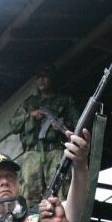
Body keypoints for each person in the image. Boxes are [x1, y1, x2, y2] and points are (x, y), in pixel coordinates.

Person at [9, 64, 78, 204]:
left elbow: (79, 125)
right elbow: (13, 125)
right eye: (39, 77)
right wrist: (30, 115)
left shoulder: (64, 101)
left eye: (45, 76)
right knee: (30, 195)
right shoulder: (29, 103)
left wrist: (63, 125)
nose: (41, 80)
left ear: (52, 79)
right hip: (32, 154)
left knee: (60, 193)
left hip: (56, 152)